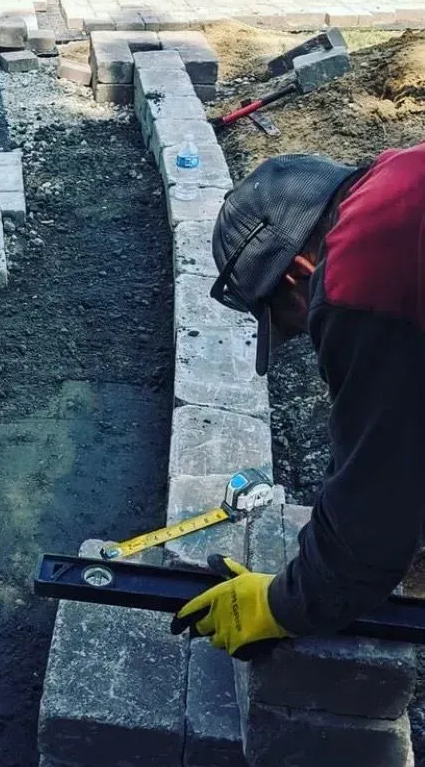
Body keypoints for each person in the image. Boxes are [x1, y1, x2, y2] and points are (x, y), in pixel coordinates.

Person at [170, 143, 425, 658]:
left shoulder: (362, 274)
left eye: (297, 321)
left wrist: (285, 603)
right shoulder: (400, 173)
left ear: (297, 274)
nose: (314, 331)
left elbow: (375, 509)